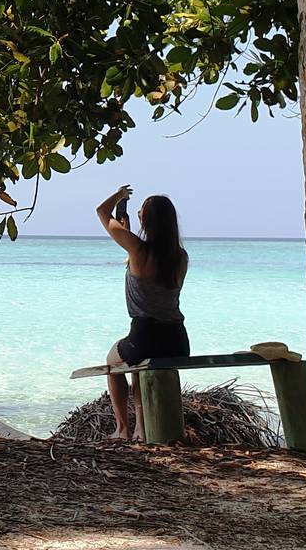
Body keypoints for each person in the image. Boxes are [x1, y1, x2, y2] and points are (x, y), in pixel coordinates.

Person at [96, 185, 188, 440]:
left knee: (111, 362)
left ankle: (123, 429)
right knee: (138, 364)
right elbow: (154, 270)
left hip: (145, 335)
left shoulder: (137, 250)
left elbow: (102, 211)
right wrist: (129, 236)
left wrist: (118, 194)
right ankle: (142, 428)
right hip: (177, 340)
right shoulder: (181, 257)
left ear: (147, 220)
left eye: (141, 212)